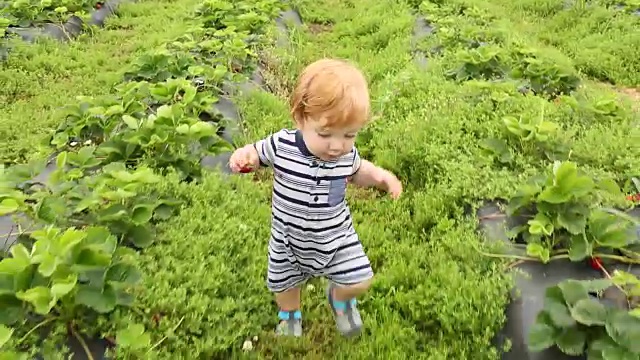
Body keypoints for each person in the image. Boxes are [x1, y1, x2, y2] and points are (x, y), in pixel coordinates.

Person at [228, 58, 403, 338]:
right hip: (288, 240)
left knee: (360, 279)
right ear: (300, 119)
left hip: (336, 238)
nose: (337, 146)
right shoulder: (282, 145)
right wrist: (244, 157)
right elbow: (255, 153)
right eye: (325, 134)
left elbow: (360, 171)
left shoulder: (346, 156)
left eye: (349, 135)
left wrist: (382, 178)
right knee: (285, 285)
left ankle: (340, 298)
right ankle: (290, 316)